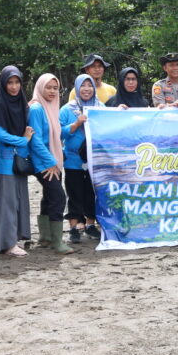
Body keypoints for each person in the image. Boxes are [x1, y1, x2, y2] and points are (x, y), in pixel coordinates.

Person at [0, 66, 34, 256]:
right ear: (3, 84)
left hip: (20, 159)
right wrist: (23, 140)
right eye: (9, 83)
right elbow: (0, 135)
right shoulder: (0, 104)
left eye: (17, 82)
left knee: (17, 199)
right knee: (7, 202)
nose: (14, 87)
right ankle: (7, 244)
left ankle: (12, 239)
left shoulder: (22, 103)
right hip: (6, 161)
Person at [30, 73, 73, 254]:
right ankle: (57, 242)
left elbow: (56, 132)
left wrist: (76, 125)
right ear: (40, 87)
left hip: (53, 159)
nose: (53, 91)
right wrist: (51, 162)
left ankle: (45, 238)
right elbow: (35, 139)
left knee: (49, 196)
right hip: (44, 162)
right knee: (58, 197)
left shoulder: (51, 107)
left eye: (55, 88)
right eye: (48, 87)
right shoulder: (36, 108)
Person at [61, 75, 103, 243]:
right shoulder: (67, 109)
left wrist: (120, 111)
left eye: (90, 85)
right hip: (72, 159)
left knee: (92, 193)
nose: (86, 89)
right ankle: (73, 227)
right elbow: (58, 132)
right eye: (83, 86)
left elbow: (111, 124)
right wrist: (76, 124)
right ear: (77, 88)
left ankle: (91, 225)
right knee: (74, 193)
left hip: (94, 160)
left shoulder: (100, 108)